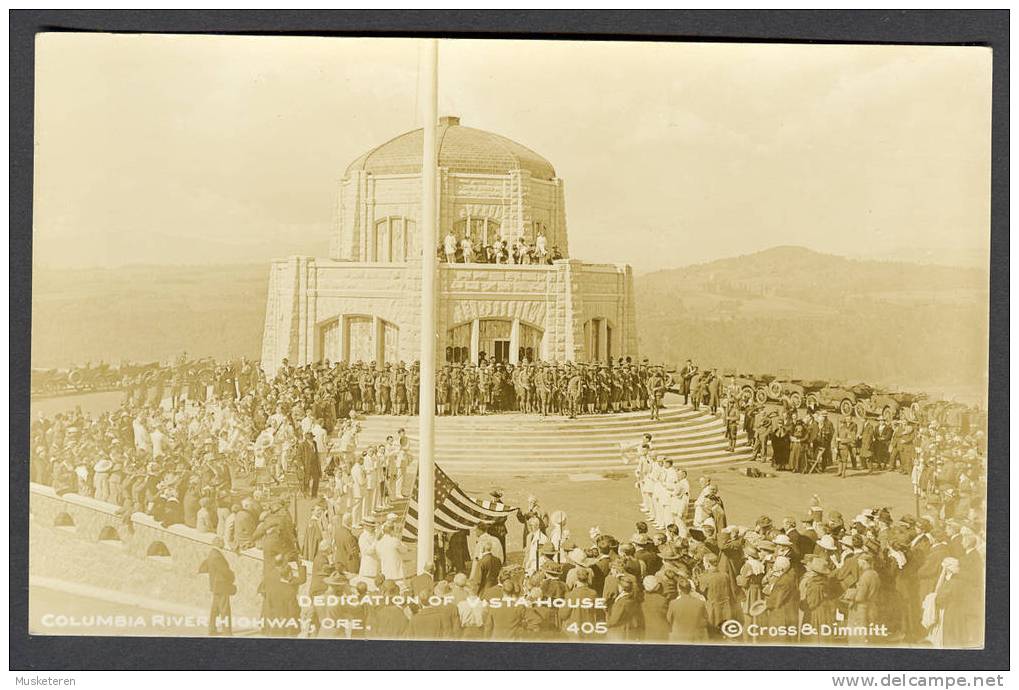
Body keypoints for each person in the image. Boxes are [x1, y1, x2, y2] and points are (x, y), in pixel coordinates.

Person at [197, 547, 236, 636]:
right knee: (225, 609)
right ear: (219, 545)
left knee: (215, 609)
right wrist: (232, 576)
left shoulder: (211, 554)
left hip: (215, 585)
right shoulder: (218, 557)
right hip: (221, 585)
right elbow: (225, 571)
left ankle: (212, 629)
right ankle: (227, 632)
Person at [666, 576, 709, 643]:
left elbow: (668, 620)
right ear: (690, 589)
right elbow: (705, 619)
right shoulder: (700, 603)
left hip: (678, 637)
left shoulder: (673, 603)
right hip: (695, 637)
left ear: (679, 589)